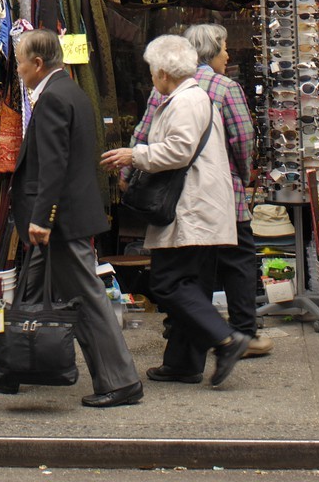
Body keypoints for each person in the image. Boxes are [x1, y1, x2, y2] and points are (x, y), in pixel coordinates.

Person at [0, 28, 143, 408]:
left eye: (20, 62)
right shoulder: (70, 92)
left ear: (37, 63)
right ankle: (7, 367)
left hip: (60, 221)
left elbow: (54, 165)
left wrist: (43, 218)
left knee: (87, 298)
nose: (17, 69)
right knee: (28, 293)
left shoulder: (53, 99)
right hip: (59, 219)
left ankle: (121, 380)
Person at [103, 34, 248, 389]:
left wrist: (134, 155)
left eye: (153, 70)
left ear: (164, 72)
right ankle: (183, 364)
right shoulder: (189, 97)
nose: (152, 76)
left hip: (192, 208)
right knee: (191, 284)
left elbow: (178, 150)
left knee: (167, 283)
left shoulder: (185, 101)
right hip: (199, 206)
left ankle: (226, 339)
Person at [183, 23, 271, 357]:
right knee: (238, 261)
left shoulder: (172, 84)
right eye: (223, 48)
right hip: (225, 191)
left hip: (186, 194)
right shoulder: (225, 87)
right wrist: (244, 175)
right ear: (210, 52)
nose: (228, 55)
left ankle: (199, 336)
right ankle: (243, 333)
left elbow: (146, 133)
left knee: (197, 266)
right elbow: (243, 138)